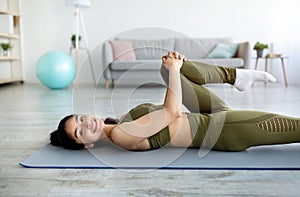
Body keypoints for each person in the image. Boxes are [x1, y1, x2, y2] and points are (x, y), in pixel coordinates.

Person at [50, 51, 300, 151]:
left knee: (166, 67)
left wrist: (172, 69)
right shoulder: (121, 135)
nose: (87, 124)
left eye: (80, 119)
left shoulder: (121, 121)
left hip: (210, 113)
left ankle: (236, 76)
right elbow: (172, 113)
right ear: (86, 145)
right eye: (80, 132)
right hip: (221, 129)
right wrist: (174, 71)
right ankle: (237, 77)